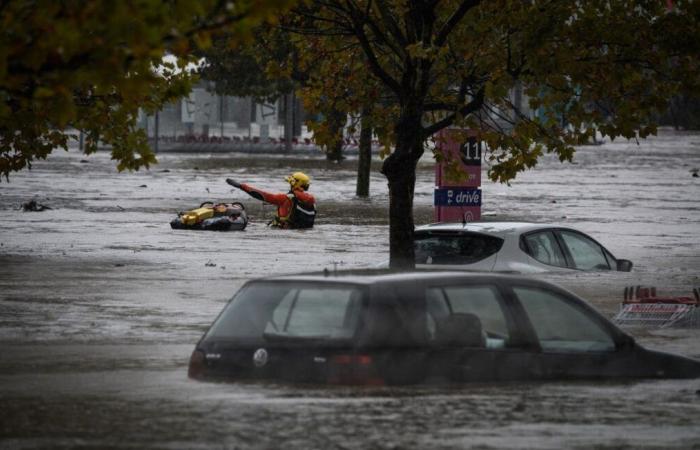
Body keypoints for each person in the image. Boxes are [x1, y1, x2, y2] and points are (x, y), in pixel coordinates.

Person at [226, 172, 316, 229]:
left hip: (281, 232)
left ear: (294, 183)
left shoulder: (285, 198)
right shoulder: (312, 202)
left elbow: (263, 195)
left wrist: (242, 187)